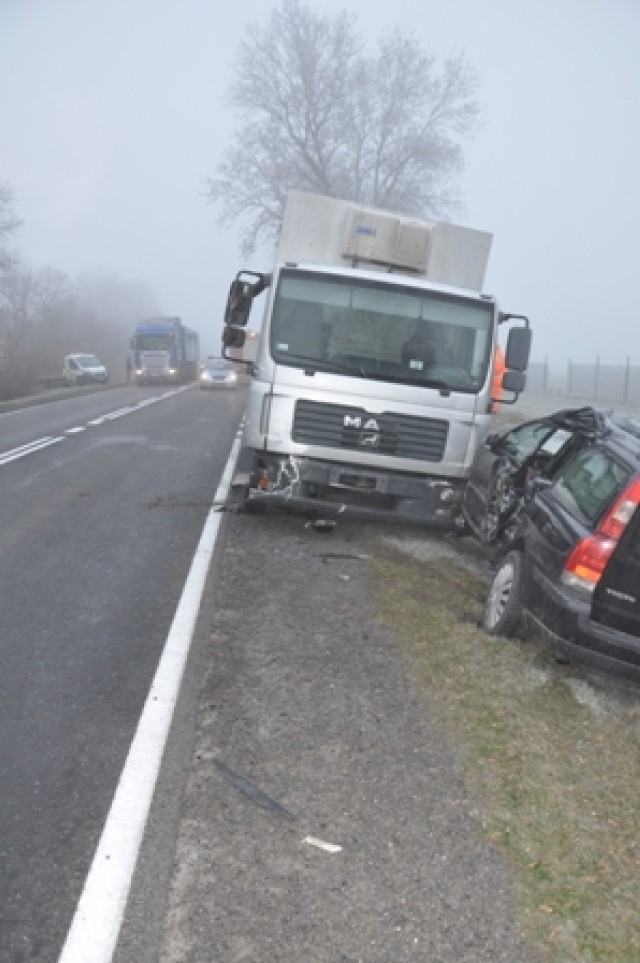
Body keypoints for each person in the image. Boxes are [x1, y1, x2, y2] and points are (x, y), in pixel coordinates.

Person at [491, 344, 506, 412]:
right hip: (497, 386)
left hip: (495, 385)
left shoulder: (497, 355)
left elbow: (495, 368)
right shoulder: (500, 355)